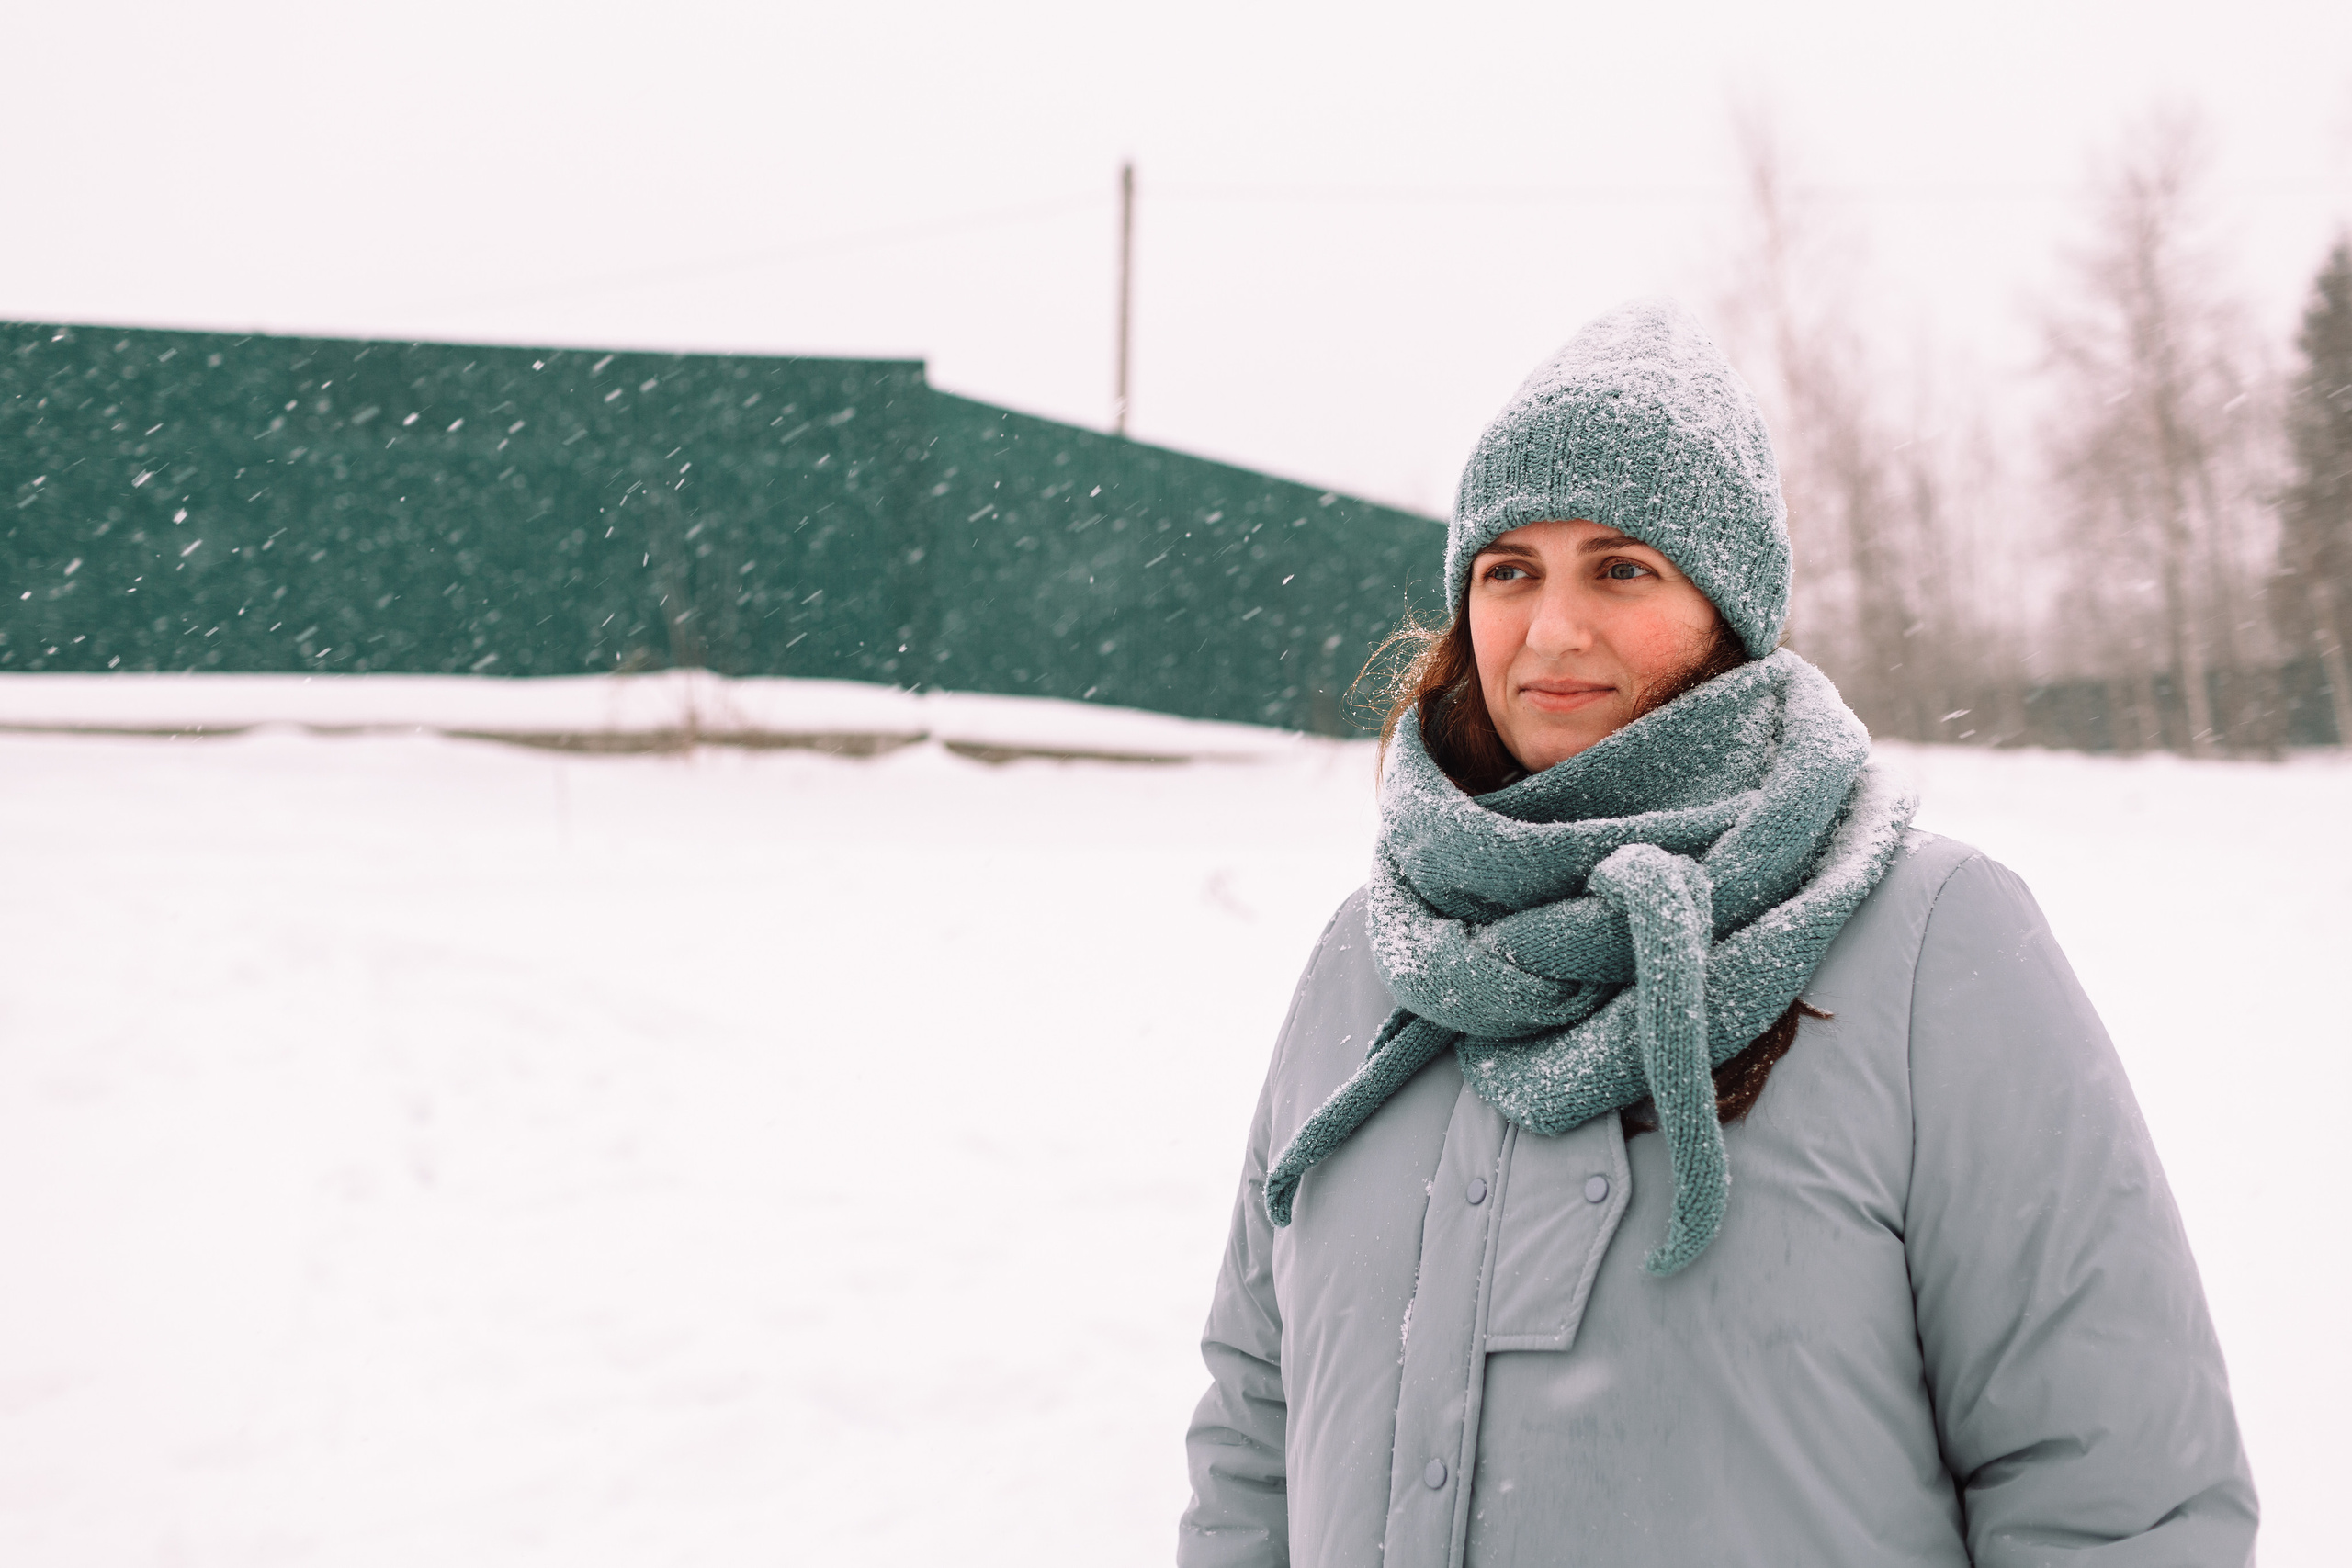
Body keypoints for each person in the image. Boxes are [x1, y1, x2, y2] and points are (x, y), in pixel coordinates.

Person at [1177, 299, 2256, 1568]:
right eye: (1508, 569)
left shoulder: (1932, 945)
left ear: (1730, 611)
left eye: (1622, 568)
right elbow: (1254, 1436)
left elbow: (2118, 1494)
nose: (1554, 628)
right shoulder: (1373, 961)